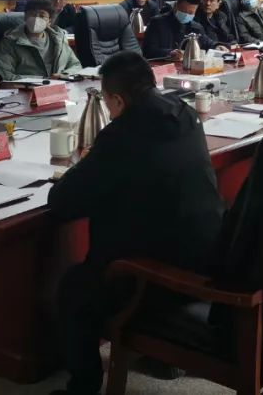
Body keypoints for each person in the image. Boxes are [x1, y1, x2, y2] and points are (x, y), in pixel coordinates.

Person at [48, 51, 224, 395]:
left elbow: (62, 202)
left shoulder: (121, 136)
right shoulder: (185, 113)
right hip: (207, 257)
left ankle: (83, 387)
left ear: (117, 100)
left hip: (154, 277)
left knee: (74, 287)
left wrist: (83, 167)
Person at [0, 0, 82, 80]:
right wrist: (42, 81)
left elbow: (76, 65)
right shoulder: (10, 40)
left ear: (49, 21)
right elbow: (4, 73)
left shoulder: (58, 38)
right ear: (25, 17)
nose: (36, 19)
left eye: (42, 16)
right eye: (32, 14)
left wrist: (64, 75)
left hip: (60, 86)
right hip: (27, 88)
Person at [143, 0, 215, 59]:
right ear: (175, 6)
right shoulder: (157, 23)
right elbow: (148, 51)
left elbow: (207, 43)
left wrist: (217, 46)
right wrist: (170, 53)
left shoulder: (196, 27)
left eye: (191, 13)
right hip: (162, 64)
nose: (186, 15)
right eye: (184, 11)